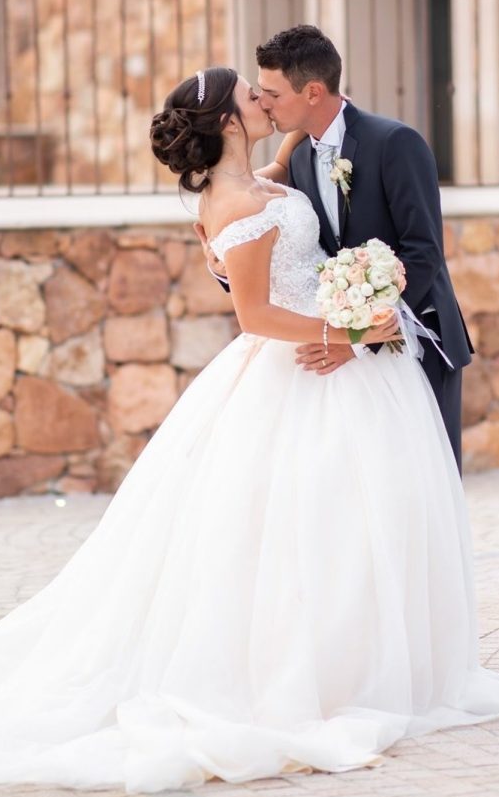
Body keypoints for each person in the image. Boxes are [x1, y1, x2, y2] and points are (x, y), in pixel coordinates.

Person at [0, 67, 499, 795]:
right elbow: (257, 314)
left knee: (338, 522)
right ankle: (313, 677)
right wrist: (348, 333)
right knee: (297, 526)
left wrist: (303, 134)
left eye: (273, 93)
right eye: (253, 98)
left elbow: (288, 173)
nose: (267, 104)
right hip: (301, 363)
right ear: (230, 120)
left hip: (324, 364)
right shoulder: (236, 205)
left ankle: (364, 662)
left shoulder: (249, 183)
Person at [199, 25, 473, 472]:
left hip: (415, 341)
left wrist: (360, 340)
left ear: (312, 92)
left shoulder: (395, 144)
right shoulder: (298, 156)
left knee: (426, 488)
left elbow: (424, 254)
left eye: (272, 93)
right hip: (338, 358)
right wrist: (220, 261)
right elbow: (260, 234)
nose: (263, 103)